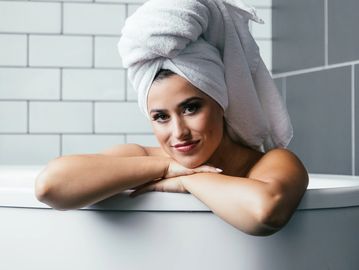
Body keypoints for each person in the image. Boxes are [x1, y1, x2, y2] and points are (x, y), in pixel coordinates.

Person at [35, 0, 309, 236]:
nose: (179, 132)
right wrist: (166, 169)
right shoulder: (146, 157)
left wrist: (185, 179)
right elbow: (51, 185)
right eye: (161, 117)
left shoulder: (271, 162)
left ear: (221, 103)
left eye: (191, 108)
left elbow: (264, 212)